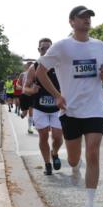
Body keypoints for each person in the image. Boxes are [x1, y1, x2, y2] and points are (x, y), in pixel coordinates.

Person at [35, 6, 103, 207]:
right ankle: (75, 166)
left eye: (89, 17)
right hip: (70, 111)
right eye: (82, 17)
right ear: (71, 22)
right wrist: (57, 95)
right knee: (73, 158)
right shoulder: (62, 47)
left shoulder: (99, 45)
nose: (87, 20)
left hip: (95, 109)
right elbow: (40, 70)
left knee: (93, 152)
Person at [24, 38, 64, 176]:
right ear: (38, 50)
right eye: (42, 48)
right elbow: (25, 89)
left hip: (57, 108)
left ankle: (54, 153)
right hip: (39, 108)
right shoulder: (34, 67)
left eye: (48, 48)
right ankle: (47, 164)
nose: (45, 50)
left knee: (58, 137)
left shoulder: (60, 65)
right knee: (43, 136)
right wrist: (32, 90)